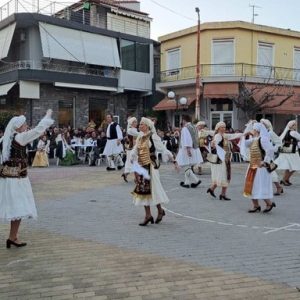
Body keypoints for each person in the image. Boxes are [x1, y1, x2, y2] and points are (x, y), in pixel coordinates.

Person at [0, 110, 53, 248]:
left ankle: (13, 237)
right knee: (18, 207)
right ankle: (12, 237)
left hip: (7, 179)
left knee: (16, 208)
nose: (26, 126)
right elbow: (37, 131)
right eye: (24, 124)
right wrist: (47, 117)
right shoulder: (19, 137)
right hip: (16, 180)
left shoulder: (4, 140)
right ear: (18, 127)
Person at [130, 117, 177, 226]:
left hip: (151, 166)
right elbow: (135, 149)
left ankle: (159, 211)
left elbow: (163, 149)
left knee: (153, 190)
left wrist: (173, 160)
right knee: (143, 190)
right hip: (141, 166)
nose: (140, 126)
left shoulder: (153, 137)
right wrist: (132, 158)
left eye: (142, 124)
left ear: (147, 126)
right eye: (140, 124)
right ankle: (148, 215)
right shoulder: (139, 137)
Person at [243, 123, 276, 213]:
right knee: (250, 185)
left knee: (260, 185)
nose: (252, 131)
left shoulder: (263, 139)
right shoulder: (253, 140)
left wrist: (264, 161)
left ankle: (268, 203)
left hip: (261, 168)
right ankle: (256, 205)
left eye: (253, 129)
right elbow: (243, 145)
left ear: (257, 130)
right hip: (252, 166)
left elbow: (270, 150)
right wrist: (245, 134)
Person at [207, 121, 243, 200]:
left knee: (225, 175)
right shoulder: (218, 136)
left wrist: (244, 134)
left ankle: (215, 190)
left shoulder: (224, 135)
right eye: (222, 127)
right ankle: (220, 193)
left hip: (226, 158)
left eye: (224, 127)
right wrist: (213, 144)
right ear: (218, 128)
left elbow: (234, 135)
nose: (224, 128)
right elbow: (214, 144)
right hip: (221, 159)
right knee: (224, 175)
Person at [176, 115, 203, 188]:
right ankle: (187, 182)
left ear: (184, 120)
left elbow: (187, 139)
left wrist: (188, 149)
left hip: (186, 149)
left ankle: (196, 180)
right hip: (194, 148)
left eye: (182, 120)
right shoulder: (194, 127)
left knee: (185, 165)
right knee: (187, 165)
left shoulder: (185, 128)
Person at [260, 119, 283, 196]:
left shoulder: (270, 133)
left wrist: (273, 148)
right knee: (262, 172)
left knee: (270, 170)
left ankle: (278, 186)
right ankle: (263, 188)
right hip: (260, 155)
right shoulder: (260, 133)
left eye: (263, 124)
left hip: (268, 155)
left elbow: (279, 142)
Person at [275, 120, 300, 186]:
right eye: (294, 124)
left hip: (286, 151)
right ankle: (284, 180)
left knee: (289, 167)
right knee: (295, 167)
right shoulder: (294, 133)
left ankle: (286, 179)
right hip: (293, 152)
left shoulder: (286, 132)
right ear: (292, 126)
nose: (296, 126)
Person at [122, 117, 139, 182]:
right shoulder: (130, 130)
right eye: (134, 122)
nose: (136, 123)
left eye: (136, 122)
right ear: (131, 123)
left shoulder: (134, 129)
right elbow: (139, 135)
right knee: (132, 161)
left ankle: (126, 174)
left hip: (134, 148)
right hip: (131, 148)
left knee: (132, 162)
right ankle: (136, 178)